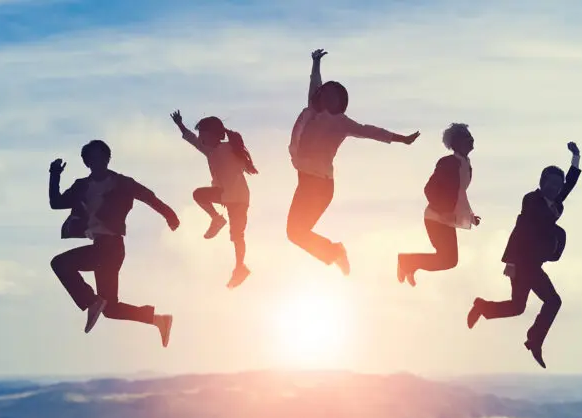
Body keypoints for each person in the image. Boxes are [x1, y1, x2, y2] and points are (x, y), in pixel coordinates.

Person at [286, 47, 421, 276]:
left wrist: (402, 139)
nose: (327, 96)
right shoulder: (312, 111)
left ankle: (335, 252)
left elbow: (371, 131)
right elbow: (314, 85)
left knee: (297, 232)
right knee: (294, 233)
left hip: (320, 186)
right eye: (325, 93)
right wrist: (316, 63)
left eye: (333, 95)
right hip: (305, 181)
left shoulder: (341, 123)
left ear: (341, 101)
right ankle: (334, 252)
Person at [48, 140, 179, 347]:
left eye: (102, 157)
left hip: (111, 247)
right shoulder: (81, 186)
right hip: (100, 247)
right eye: (93, 158)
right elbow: (56, 203)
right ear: (87, 162)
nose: (98, 161)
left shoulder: (121, 182)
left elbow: (148, 196)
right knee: (110, 309)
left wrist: (169, 215)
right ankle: (158, 320)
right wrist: (54, 175)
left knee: (60, 263)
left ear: (108, 159)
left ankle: (91, 301)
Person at [467, 141, 582, 369]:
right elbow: (528, 226)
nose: (556, 188)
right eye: (551, 184)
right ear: (542, 183)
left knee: (518, 306)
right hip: (522, 262)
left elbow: (571, 182)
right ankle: (534, 340)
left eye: (558, 186)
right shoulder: (531, 200)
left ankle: (484, 308)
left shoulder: (556, 200)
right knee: (553, 301)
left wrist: (576, 157)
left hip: (533, 262)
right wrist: (512, 261)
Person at [170, 110, 257, 288]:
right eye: (200, 134)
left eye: (203, 134)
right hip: (225, 194)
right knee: (198, 195)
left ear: (213, 134)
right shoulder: (210, 150)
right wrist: (180, 124)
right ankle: (217, 219)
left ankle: (240, 267)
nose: (200, 137)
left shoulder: (230, 148)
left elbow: (237, 149)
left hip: (238, 198)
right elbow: (192, 140)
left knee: (237, 236)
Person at [397, 123, 480, 286]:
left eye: (470, 136)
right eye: (466, 137)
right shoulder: (448, 163)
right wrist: (443, 211)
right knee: (448, 259)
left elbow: (459, 195)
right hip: (436, 218)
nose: (471, 140)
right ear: (456, 142)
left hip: (447, 219)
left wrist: (470, 217)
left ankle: (409, 264)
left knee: (449, 260)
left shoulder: (466, 165)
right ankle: (406, 261)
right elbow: (429, 189)